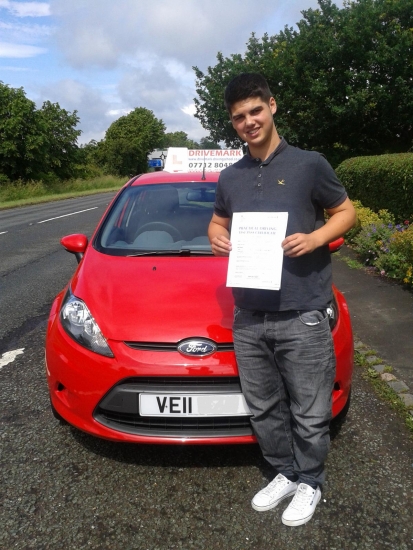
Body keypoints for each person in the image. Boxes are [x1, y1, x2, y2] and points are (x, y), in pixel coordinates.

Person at [208, 73, 356, 527]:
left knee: (310, 411)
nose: (249, 122)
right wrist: (216, 237)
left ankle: (310, 479)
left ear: (272, 106)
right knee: (264, 406)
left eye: (256, 111)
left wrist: (315, 239)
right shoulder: (230, 177)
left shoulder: (310, 164)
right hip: (249, 316)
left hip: (302, 313)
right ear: (232, 123)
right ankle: (284, 472)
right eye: (239, 117)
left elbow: (346, 211)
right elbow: (217, 223)